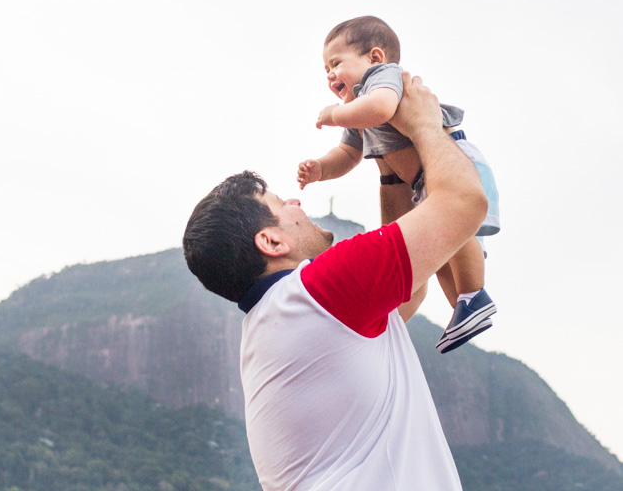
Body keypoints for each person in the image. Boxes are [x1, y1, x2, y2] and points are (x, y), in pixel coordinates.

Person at [183, 74, 485, 490]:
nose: (294, 201)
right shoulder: (319, 290)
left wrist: (389, 165)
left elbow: (411, 287)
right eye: (279, 204)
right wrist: (426, 126)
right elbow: (466, 203)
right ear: (270, 241)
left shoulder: (283, 319)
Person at [296, 16, 499, 352]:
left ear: (374, 58)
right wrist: (320, 169)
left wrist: (333, 114)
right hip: (422, 183)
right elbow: (348, 153)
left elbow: (381, 108)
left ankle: (475, 294)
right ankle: (463, 308)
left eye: (336, 63)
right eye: (325, 70)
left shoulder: (382, 80)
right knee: (442, 254)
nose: (330, 75)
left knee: (457, 232)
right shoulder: (355, 108)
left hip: (454, 166)